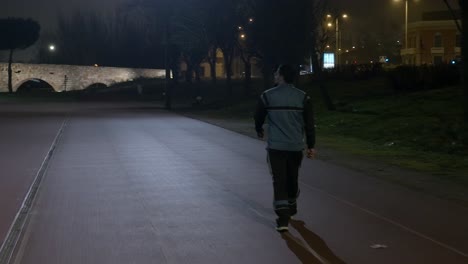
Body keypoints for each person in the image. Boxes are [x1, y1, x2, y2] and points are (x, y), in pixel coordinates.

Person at [254, 64, 316, 232]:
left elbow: (258, 115)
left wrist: (259, 129)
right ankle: (291, 207)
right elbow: (309, 124)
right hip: (296, 146)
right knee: (292, 177)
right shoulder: (303, 97)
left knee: (279, 180)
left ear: (281, 75)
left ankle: (283, 219)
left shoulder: (267, 96)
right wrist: (311, 145)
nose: (274, 75)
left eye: (276, 72)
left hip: (276, 147)